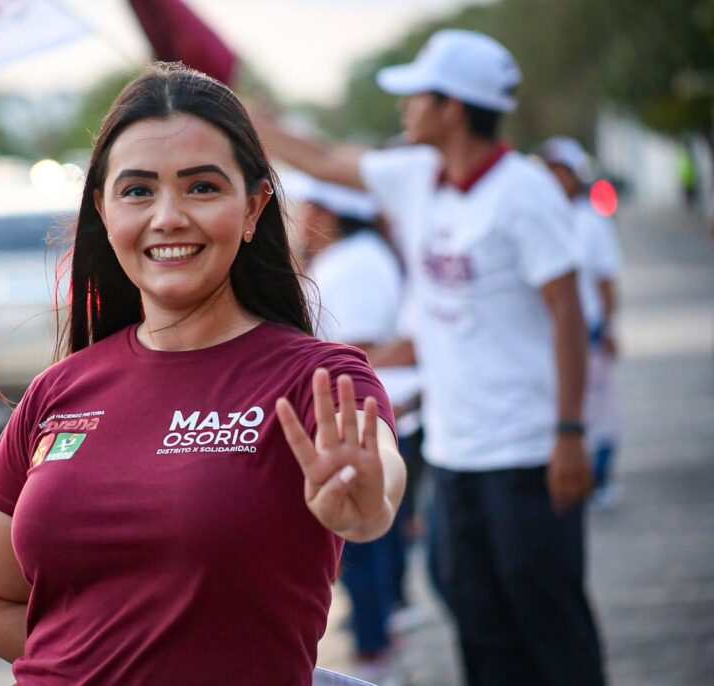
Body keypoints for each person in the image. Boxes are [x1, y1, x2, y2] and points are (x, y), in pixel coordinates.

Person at [0, 62, 407, 686]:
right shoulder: (57, 392)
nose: (168, 216)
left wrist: (368, 508)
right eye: (138, 190)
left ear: (254, 207)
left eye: (201, 187)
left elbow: (377, 477)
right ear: (104, 210)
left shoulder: (319, 378)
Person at [252, 29, 605, 686]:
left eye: (416, 97)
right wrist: (239, 108)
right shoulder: (419, 180)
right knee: (475, 617)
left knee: (548, 621)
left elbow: (567, 314)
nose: (405, 109)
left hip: (527, 451)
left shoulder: (524, 193)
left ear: (453, 106)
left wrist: (570, 434)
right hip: (455, 452)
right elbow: (325, 158)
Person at [287, 175, 407, 684]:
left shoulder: (351, 264)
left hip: (359, 417)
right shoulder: (361, 256)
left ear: (332, 215)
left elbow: (355, 346)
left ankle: (374, 642)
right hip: (367, 413)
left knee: (366, 538)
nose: (303, 220)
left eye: (311, 209)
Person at [539, 136, 624, 509]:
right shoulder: (540, 217)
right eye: (550, 170)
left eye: (563, 171)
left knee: (597, 412)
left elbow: (606, 281)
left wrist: (608, 326)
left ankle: (599, 479)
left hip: (586, 330)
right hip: (548, 334)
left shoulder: (591, 221)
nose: (557, 179)